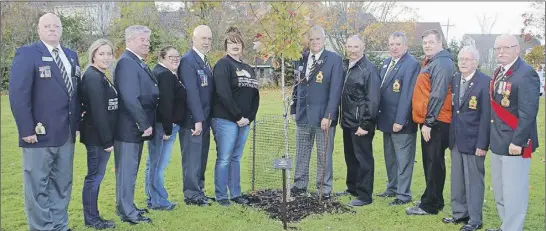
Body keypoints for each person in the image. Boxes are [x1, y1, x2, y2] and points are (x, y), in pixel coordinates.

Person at [9, 12, 81, 231]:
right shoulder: (27, 54)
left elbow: (74, 94)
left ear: (61, 29)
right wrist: (26, 129)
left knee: (62, 184)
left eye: (56, 26)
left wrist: (76, 126)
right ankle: (42, 227)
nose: (52, 29)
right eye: (47, 26)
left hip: (66, 133)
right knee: (37, 185)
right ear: (38, 30)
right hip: (39, 133)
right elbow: (18, 94)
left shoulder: (70, 55)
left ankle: (60, 225)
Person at [486, 34, 539, 231]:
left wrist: (518, 141)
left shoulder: (526, 73)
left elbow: (528, 112)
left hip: (515, 144)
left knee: (514, 193)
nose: (501, 52)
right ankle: (505, 226)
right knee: (500, 192)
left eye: (506, 48)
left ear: (517, 49)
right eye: (497, 48)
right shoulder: (500, 71)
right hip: (499, 140)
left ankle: (513, 228)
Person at [290, 26, 344, 198]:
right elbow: (296, 85)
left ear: (324, 39)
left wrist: (328, 115)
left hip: (323, 118)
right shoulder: (301, 58)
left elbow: (335, 91)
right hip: (303, 115)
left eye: (317, 39)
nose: (314, 42)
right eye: (311, 39)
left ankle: (324, 189)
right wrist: (293, 108)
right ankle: (299, 185)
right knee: (302, 153)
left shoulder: (334, 59)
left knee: (323, 155)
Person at [406, 29, 454, 215]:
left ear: (440, 43)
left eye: (431, 42)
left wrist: (429, 122)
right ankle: (432, 197)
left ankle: (431, 205)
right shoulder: (431, 62)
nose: (427, 45)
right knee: (430, 161)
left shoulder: (441, 63)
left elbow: (438, 94)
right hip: (430, 120)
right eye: (425, 42)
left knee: (433, 162)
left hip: (437, 121)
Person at [113, 25, 158, 224]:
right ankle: (127, 212)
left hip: (135, 128)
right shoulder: (126, 63)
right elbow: (130, 98)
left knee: (131, 170)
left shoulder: (136, 61)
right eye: (142, 39)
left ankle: (128, 205)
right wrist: (143, 123)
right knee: (126, 171)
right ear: (130, 40)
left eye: (148, 40)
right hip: (129, 128)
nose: (147, 43)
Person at [211, 26, 260, 206]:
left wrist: (249, 117)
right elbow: (223, 93)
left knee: (236, 158)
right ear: (226, 46)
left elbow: (255, 94)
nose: (235, 45)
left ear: (242, 46)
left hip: (244, 121)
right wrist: (238, 116)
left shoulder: (248, 67)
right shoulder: (223, 65)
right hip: (225, 119)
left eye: (238, 42)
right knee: (224, 158)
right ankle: (222, 195)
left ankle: (236, 193)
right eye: (231, 43)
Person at [443, 46, 490, 231]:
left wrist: (482, 144)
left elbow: (486, 117)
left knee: (474, 181)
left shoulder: (485, 82)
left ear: (476, 62)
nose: (463, 62)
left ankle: (475, 220)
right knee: (457, 179)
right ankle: (459, 213)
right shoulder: (455, 79)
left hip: (474, 141)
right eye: (461, 59)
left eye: (468, 59)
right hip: (456, 139)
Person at [375, 32, 420, 206]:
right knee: (390, 157)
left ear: (405, 46)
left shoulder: (411, 64)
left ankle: (403, 194)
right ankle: (392, 187)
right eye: (391, 44)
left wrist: (400, 120)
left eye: (397, 44)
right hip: (387, 119)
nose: (394, 47)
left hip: (401, 122)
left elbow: (408, 94)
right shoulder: (387, 62)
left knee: (403, 159)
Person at [79, 38, 117, 229]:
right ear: (93, 55)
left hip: (101, 136)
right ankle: (92, 219)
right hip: (97, 138)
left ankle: (94, 216)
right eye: (101, 54)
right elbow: (98, 112)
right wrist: (107, 141)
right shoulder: (93, 77)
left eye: (109, 54)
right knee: (94, 177)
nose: (106, 57)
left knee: (96, 177)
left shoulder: (101, 75)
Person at [338, 35, 380, 206]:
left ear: (363, 47)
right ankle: (353, 187)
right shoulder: (347, 66)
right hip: (348, 121)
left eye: (356, 47)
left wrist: (366, 124)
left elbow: (373, 99)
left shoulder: (368, 69)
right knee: (351, 157)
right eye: (350, 47)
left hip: (360, 123)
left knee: (364, 159)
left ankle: (364, 195)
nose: (352, 50)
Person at [144, 45, 186, 211]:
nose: (175, 59)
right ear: (162, 58)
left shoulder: (159, 72)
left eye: (177, 57)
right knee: (158, 165)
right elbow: (165, 104)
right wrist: (168, 130)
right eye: (171, 57)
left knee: (153, 164)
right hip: (164, 126)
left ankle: (153, 198)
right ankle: (159, 201)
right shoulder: (165, 75)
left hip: (160, 124)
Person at [179, 25, 214, 206]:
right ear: (194, 39)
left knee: (201, 157)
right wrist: (198, 120)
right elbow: (191, 92)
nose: (207, 42)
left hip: (205, 119)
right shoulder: (187, 61)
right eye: (203, 38)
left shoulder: (204, 61)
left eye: (209, 39)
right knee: (192, 159)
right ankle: (191, 195)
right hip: (194, 121)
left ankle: (199, 191)